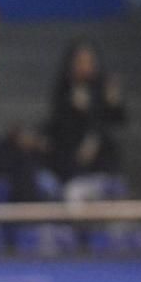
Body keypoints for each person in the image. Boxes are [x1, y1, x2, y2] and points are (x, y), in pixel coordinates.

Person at [43, 38, 127, 186]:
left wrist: (113, 103)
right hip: (70, 157)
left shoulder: (101, 87)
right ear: (71, 63)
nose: (85, 66)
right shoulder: (65, 89)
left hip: (101, 157)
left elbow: (117, 120)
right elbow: (57, 126)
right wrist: (75, 109)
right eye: (80, 61)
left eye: (89, 61)